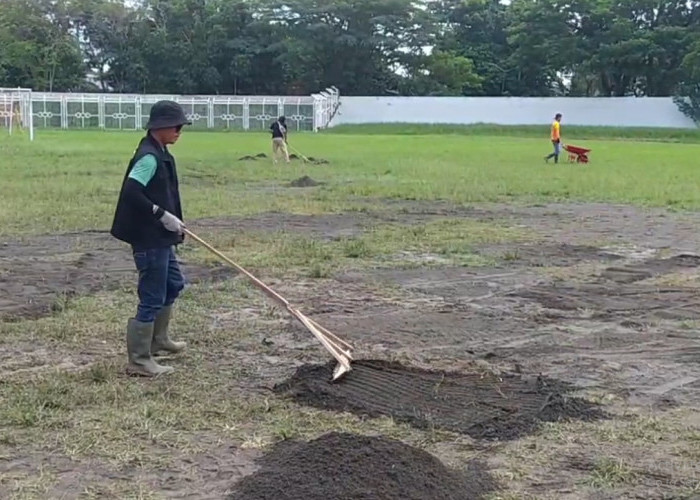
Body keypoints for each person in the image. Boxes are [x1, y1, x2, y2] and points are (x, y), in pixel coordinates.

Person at [110, 100, 191, 377]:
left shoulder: (162, 152)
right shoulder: (148, 156)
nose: (180, 131)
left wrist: (174, 221)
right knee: (152, 295)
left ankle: (159, 340)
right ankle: (140, 360)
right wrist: (161, 215)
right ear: (161, 127)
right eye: (177, 126)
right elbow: (132, 192)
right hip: (148, 238)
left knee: (173, 283)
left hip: (162, 237)